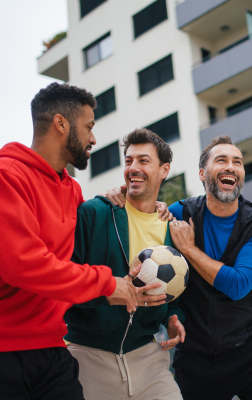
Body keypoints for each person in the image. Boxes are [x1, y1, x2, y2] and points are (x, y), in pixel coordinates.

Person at [0, 83, 144, 400]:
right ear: (60, 123)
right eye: (89, 127)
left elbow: (70, 266)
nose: (93, 138)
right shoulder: (4, 175)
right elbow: (23, 264)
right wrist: (107, 284)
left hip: (49, 347)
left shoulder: (71, 190)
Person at [106, 135, 252, 399]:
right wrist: (116, 194)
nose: (231, 166)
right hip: (194, 359)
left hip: (251, 354)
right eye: (221, 160)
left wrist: (190, 249)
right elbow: (142, 213)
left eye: (237, 162)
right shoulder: (178, 214)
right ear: (203, 174)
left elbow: (237, 285)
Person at [64, 129, 186, 400]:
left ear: (164, 170)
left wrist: (174, 318)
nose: (133, 168)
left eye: (143, 160)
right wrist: (110, 294)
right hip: (88, 358)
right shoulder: (94, 213)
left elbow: (172, 293)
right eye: (129, 161)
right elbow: (63, 284)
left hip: (149, 359)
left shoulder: (172, 230)